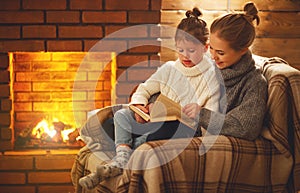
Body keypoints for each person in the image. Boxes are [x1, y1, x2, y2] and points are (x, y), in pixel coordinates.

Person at [79, 8, 221, 189]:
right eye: (180, 50)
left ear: (206, 47)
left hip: (182, 128)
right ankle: (123, 155)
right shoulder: (170, 68)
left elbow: (211, 118)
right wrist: (140, 105)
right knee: (119, 117)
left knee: (166, 130)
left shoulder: (212, 76)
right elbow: (144, 89)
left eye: (191, 50)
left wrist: (194, 113)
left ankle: (122, 154)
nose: (185, 56)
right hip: (155, 121)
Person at [197, 2, 268, 140]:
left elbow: (245, 127)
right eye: (211, 47)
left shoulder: (254, 83)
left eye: (221, 52)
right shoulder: (206, 65)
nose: (213, 56)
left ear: (243, 50)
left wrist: (200, 115)